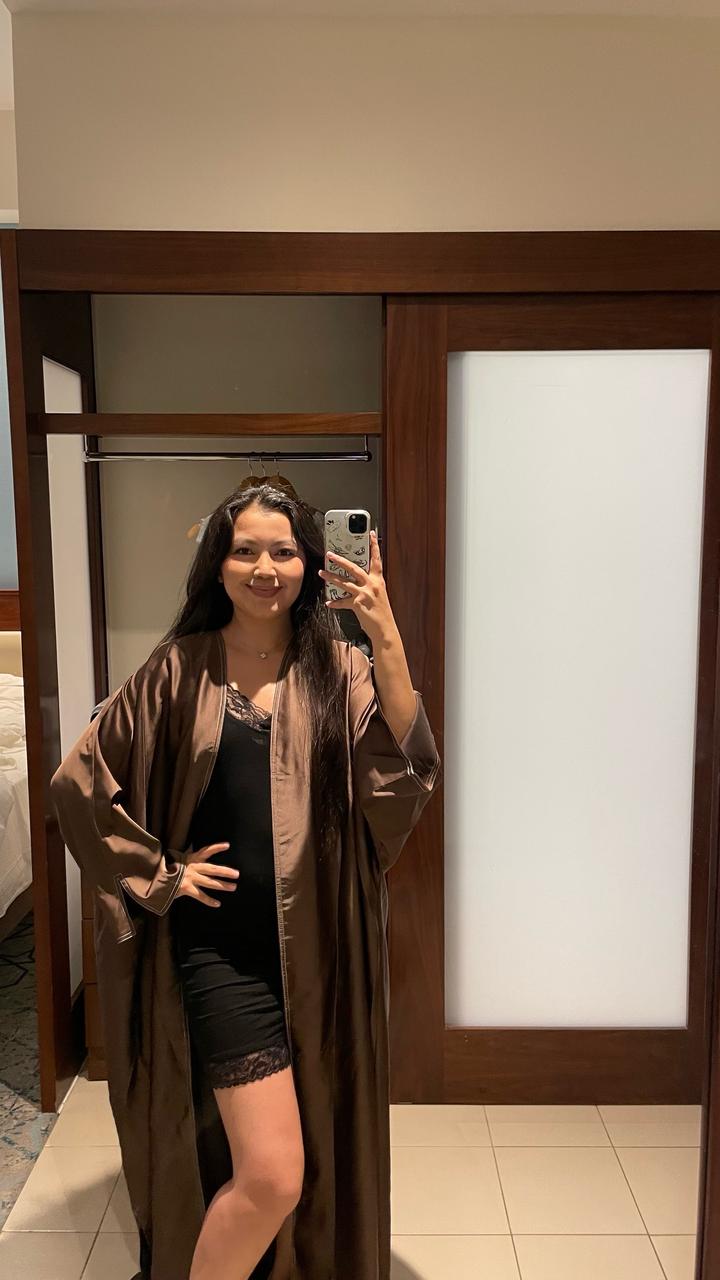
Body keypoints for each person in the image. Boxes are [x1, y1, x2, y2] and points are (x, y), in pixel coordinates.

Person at [50, 483, 442, 1280]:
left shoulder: (338, 667)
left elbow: (406, 768)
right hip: (221, 955)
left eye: (285, 551)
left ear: (309, 563)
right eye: (245, 550)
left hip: (320, 952)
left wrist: (383, 633)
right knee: (273, 1175)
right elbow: (76, 784)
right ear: (218, 563)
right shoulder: (176, 671)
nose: (266, 568)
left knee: (309, 1151)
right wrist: (160, 872)